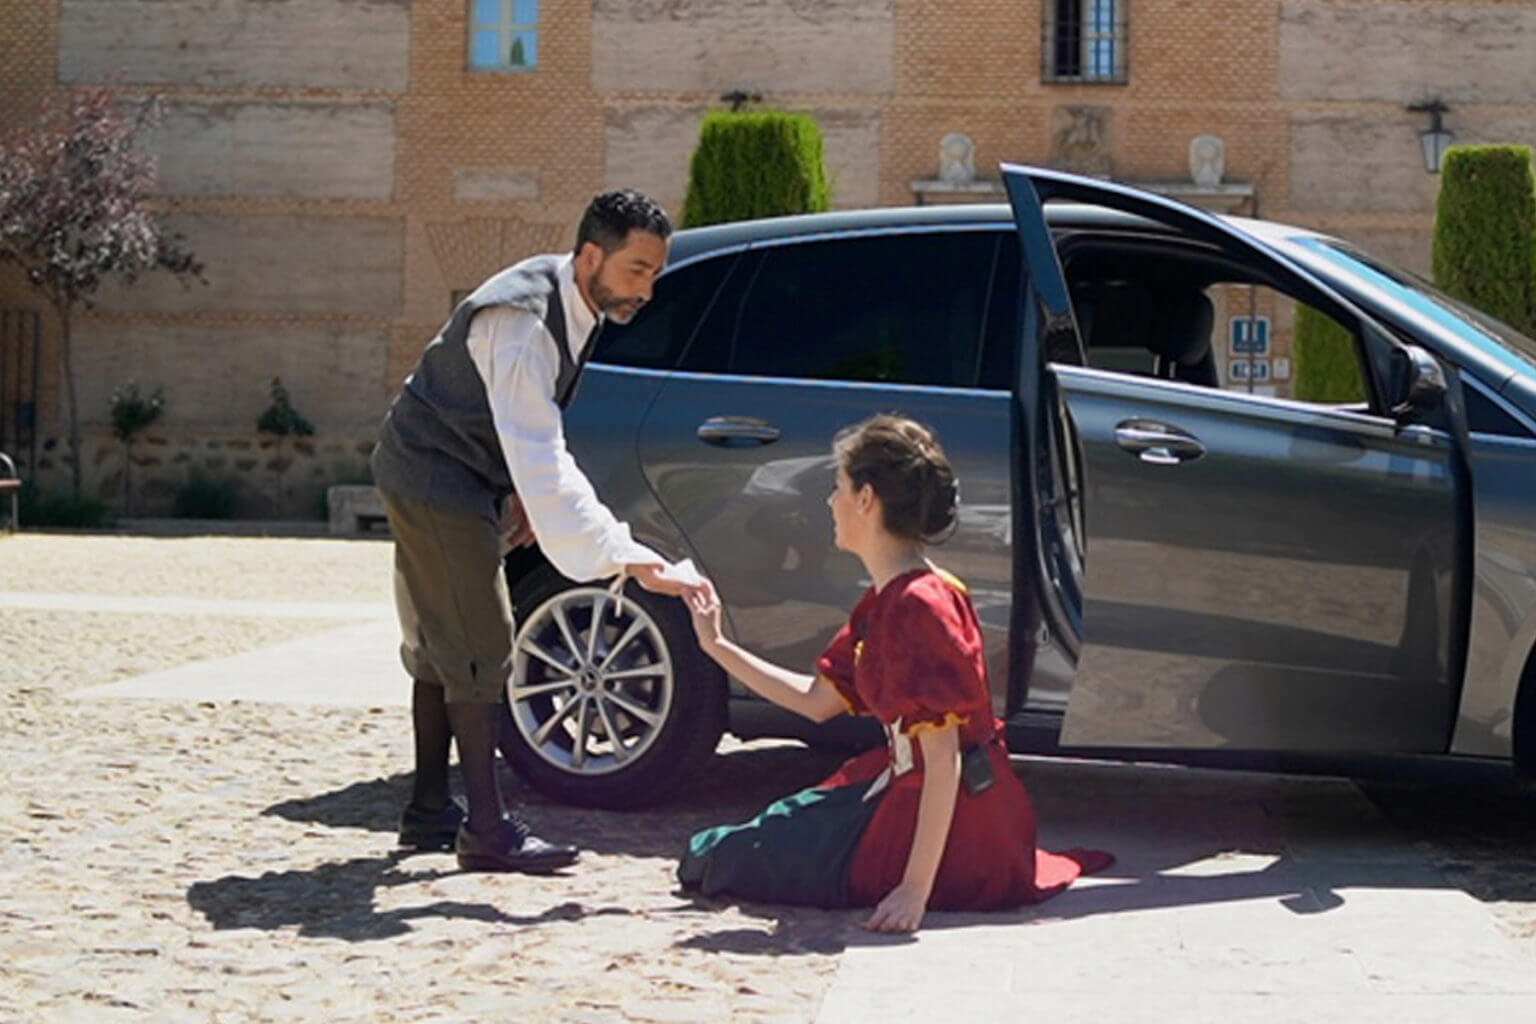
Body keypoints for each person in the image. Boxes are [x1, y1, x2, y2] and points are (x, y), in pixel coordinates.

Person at [678, 414, 1112, 931]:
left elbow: (944, 758)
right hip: (906, 791)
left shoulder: (920, 605)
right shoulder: (888, 599)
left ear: (867, 498)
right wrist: (716, 645)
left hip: (953, 827)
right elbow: (818, 702)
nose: (830, 502)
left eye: (838, 488)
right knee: (749, 836)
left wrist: (913, 892)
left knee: (720, 860)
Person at [372, 189, 697, 873]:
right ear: (589, 256)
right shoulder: (521, 320)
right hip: (435, 472)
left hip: (457, 470)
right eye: (637, 270)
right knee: (481, 644)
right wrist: (626, 557)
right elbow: (541, 453)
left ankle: (429, 811)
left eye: (654, 272)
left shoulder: (580, 302)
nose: (648, 288)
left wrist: (519, 494)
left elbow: (526, 431)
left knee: (441, 641)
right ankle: (486, 832)